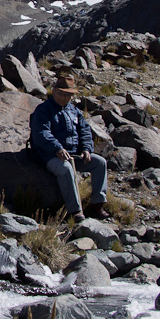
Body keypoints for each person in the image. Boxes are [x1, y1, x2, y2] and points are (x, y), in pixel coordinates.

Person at [30, 75, 109, 221]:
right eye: (60, 93)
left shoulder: (73, 111)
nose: (63, 97)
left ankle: (97, 204)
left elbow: (84, 130)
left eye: (67, 94)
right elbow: (41, 133)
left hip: (73, 153)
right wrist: (57, 148)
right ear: (53, 91)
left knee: (100, 163)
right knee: (65, 169)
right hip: (48, 154)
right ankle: (75, 211)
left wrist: (86, 149)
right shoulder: (43, 110)